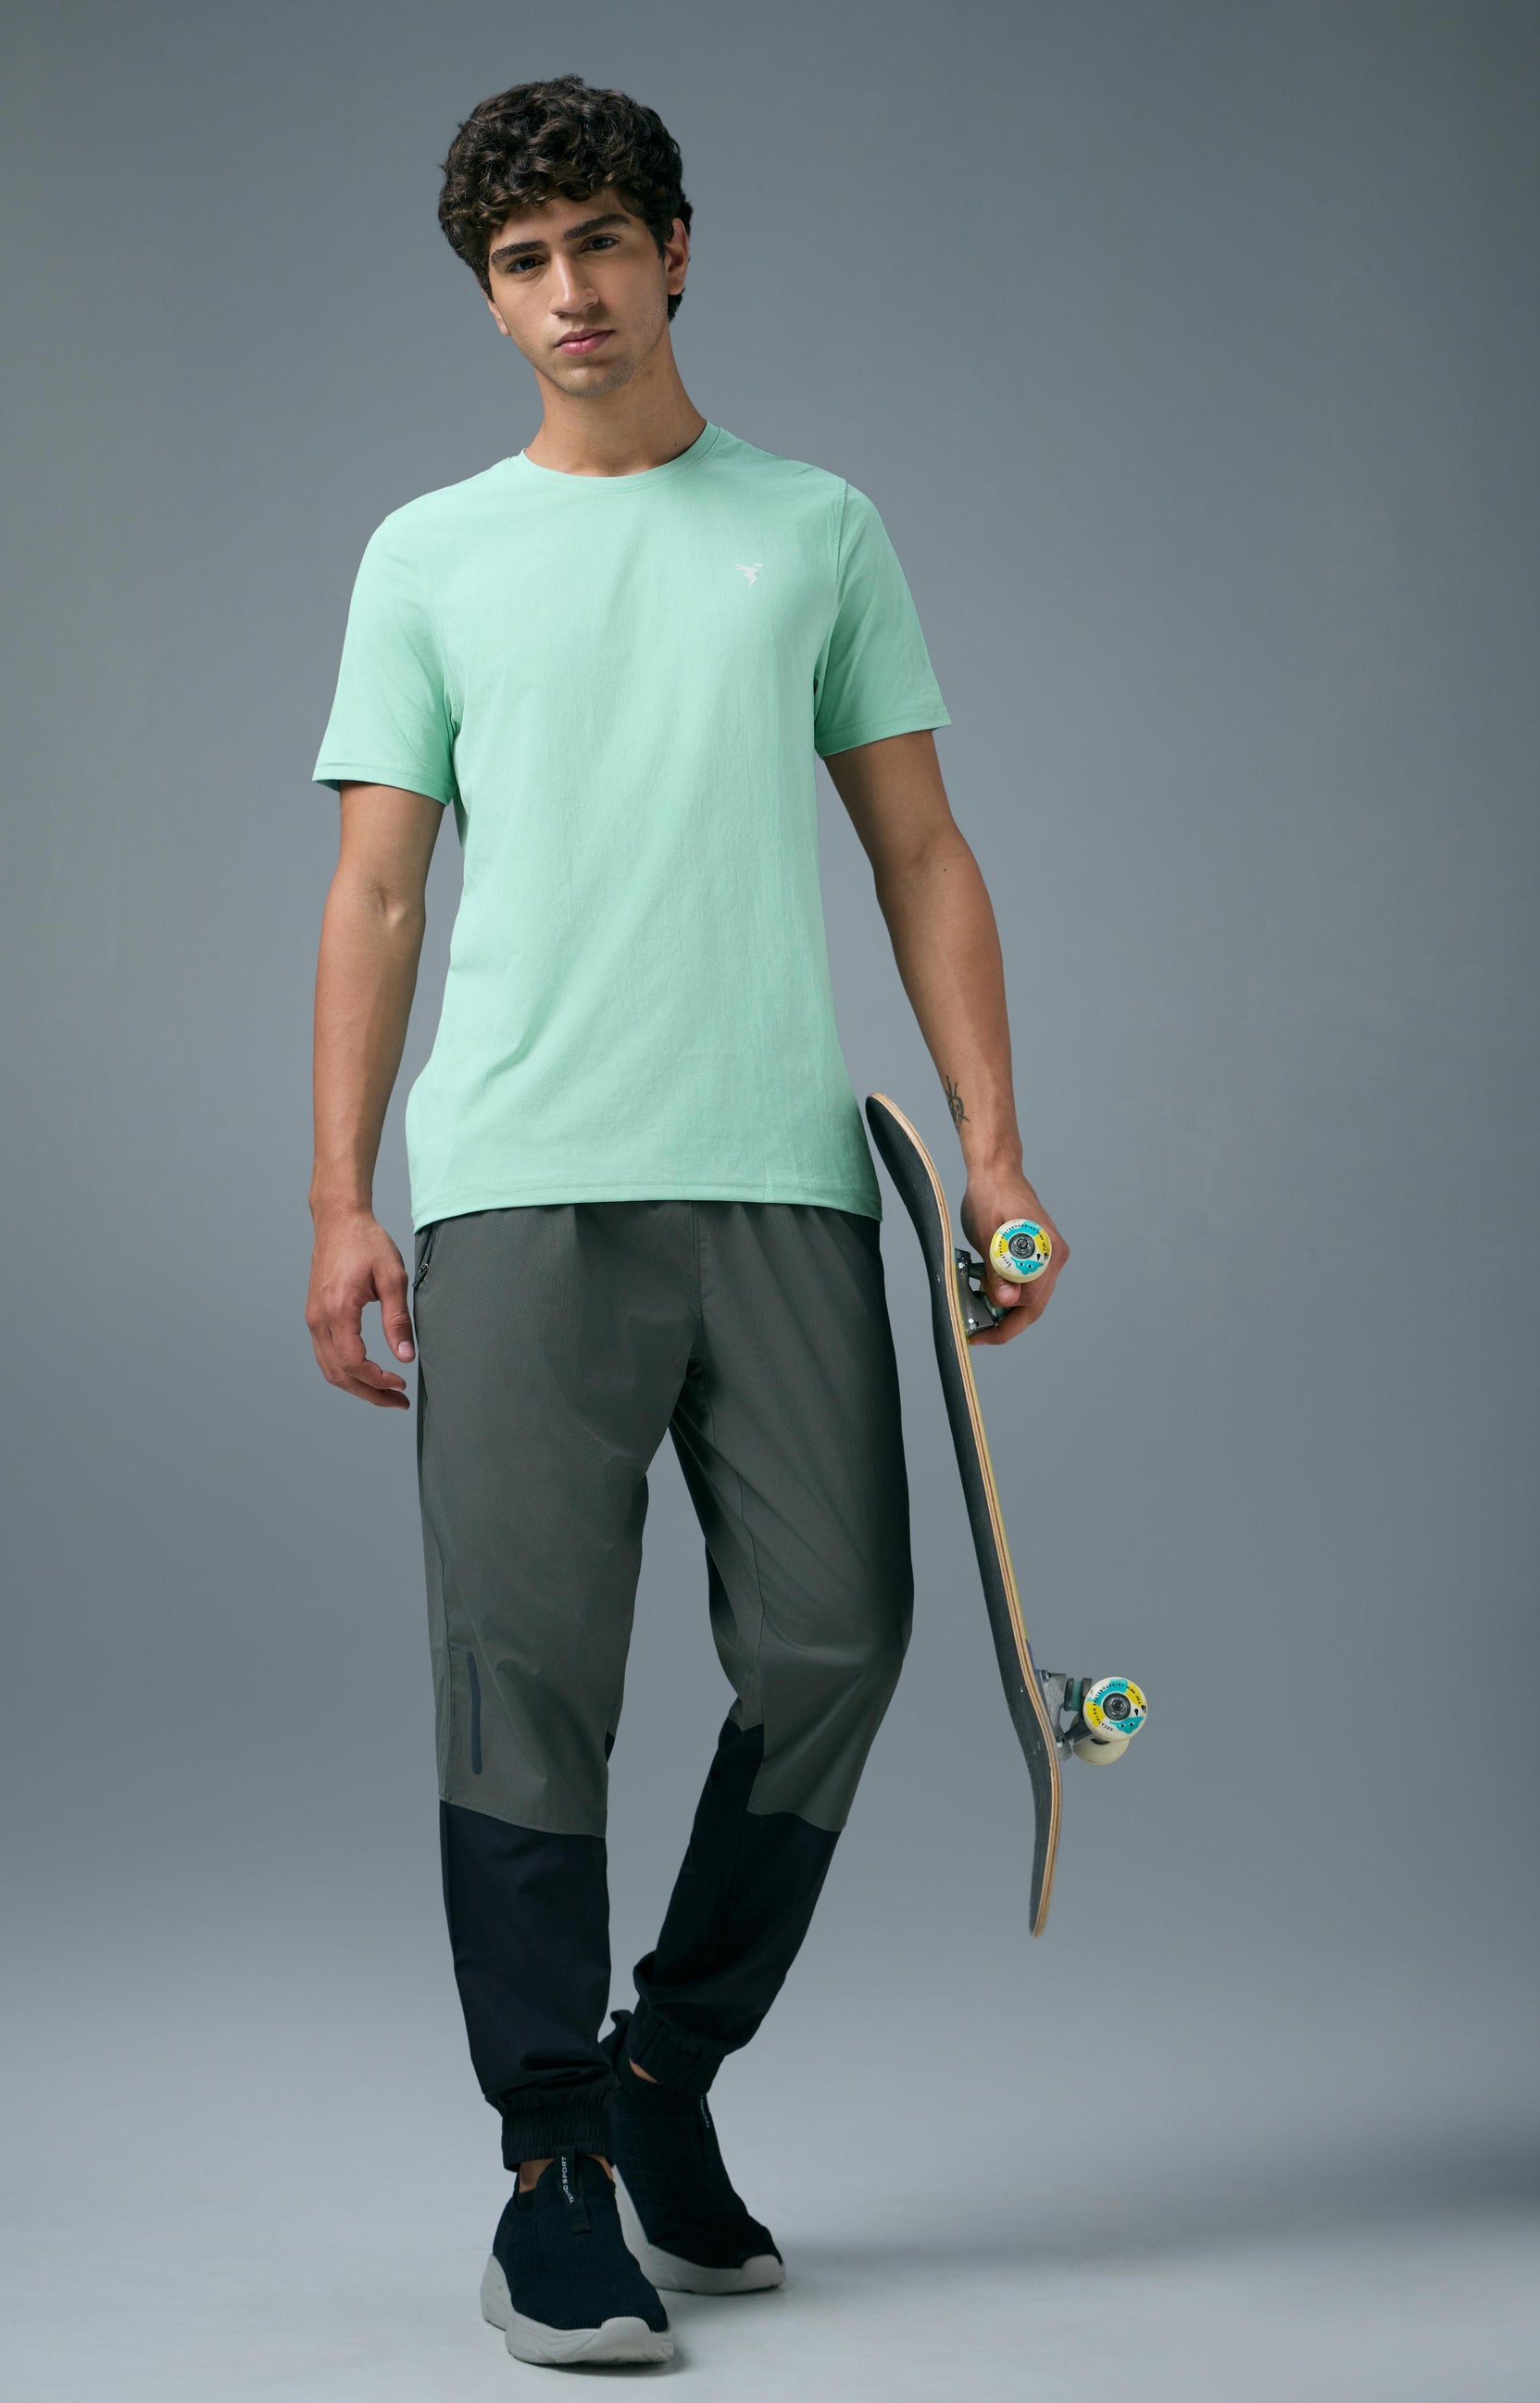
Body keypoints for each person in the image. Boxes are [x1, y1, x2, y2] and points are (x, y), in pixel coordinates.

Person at [303, 73, 1068, 2371]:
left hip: (779, 1177)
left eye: (602, 244)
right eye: (523, 262)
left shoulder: (813, 527)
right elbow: (375, 892)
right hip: (517, 1184)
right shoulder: (428, 554)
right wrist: (340, 1194)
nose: (570, 293)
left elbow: (918, 847)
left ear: (676, 250)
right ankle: (552, 2165)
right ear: (488, 295)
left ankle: (665, 2068)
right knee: (525, 1677)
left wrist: (994, 1145)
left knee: (839, 1639)